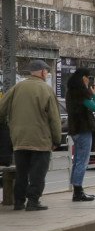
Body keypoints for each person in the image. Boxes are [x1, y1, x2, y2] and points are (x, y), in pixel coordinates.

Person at [0, 60, 62, 211]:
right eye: (46, 72)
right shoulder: (46, 90)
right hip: (40, 140)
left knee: (21, 172)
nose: (47, 74)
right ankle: (33, 201)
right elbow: (54, 118)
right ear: (42, 72)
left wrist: (9, 128)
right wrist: (57, 139)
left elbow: (1, 110)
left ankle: (19, 202)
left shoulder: (17, 87)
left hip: (19, 139)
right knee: (37, 174)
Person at [65, 68, 95, 202]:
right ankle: (78, 192)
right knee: (82, 161)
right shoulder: (80, 93)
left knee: (78, 160)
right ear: (83, 78)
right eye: (88, 77)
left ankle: (77, 191)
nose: (89, 80)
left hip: (75, 130)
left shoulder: (70, 92)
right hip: (83, 129)